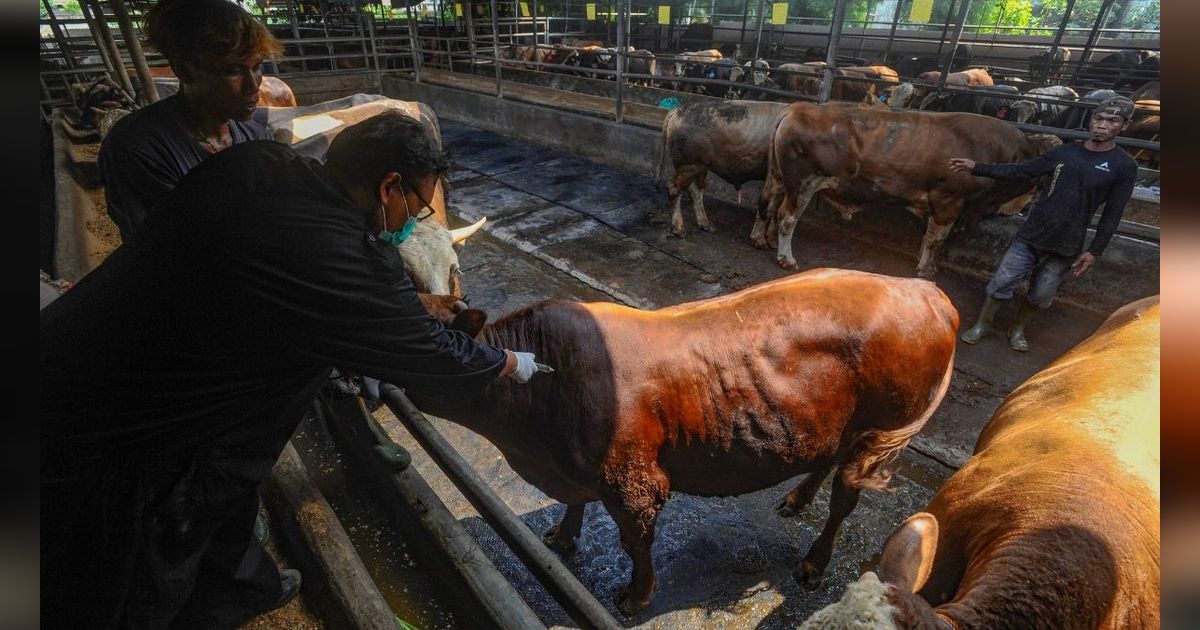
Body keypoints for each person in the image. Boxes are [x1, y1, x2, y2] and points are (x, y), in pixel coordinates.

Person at [41, 111, 545, 628]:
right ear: (389, 186)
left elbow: (296, 276)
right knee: (141, 563)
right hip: (135, 428)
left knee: (223, 503)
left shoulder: (256, 162)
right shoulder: (346, 254)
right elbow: (430, 358)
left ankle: (238, 594)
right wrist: (508, 360)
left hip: (77, 353)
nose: (413, 220)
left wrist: (418, 302)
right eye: (416, 205)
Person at [948, 95, 1137, 351]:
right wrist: (977, 167)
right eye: (1099, 118)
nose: (1102, 125)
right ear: (1091, 120)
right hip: (1032, 234)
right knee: (1002, 282)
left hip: (1066, 243)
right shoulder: (1065, 152)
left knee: (1041, 295)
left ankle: (1017, 329)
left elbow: (1112, 213)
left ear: (1124, 126)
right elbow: (1023, 170)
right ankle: (982, 325)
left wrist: (1095, 250)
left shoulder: (1123, 166)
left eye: (1112, 121)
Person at [98, 0, 283, 240]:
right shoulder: (136, 147)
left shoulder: (257, 136)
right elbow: (165, 245)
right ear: (184, 71)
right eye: (233, 70)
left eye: (257, 67)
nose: (253, 85)